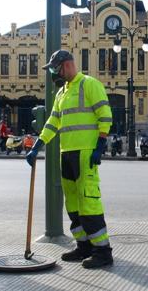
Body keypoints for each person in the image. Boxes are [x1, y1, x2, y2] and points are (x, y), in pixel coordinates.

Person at [26, 49, 113, 269]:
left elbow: (105, 116)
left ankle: (102, 251)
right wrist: (38, 145)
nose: (54, 72)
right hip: (67, 153)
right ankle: (83, 246)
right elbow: (52, 123)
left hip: (85, 153)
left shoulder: (89, 84)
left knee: (89, 202)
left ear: (66, 65)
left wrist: (99, 146)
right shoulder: (61, 93)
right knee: (73, 203)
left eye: (55, 68)